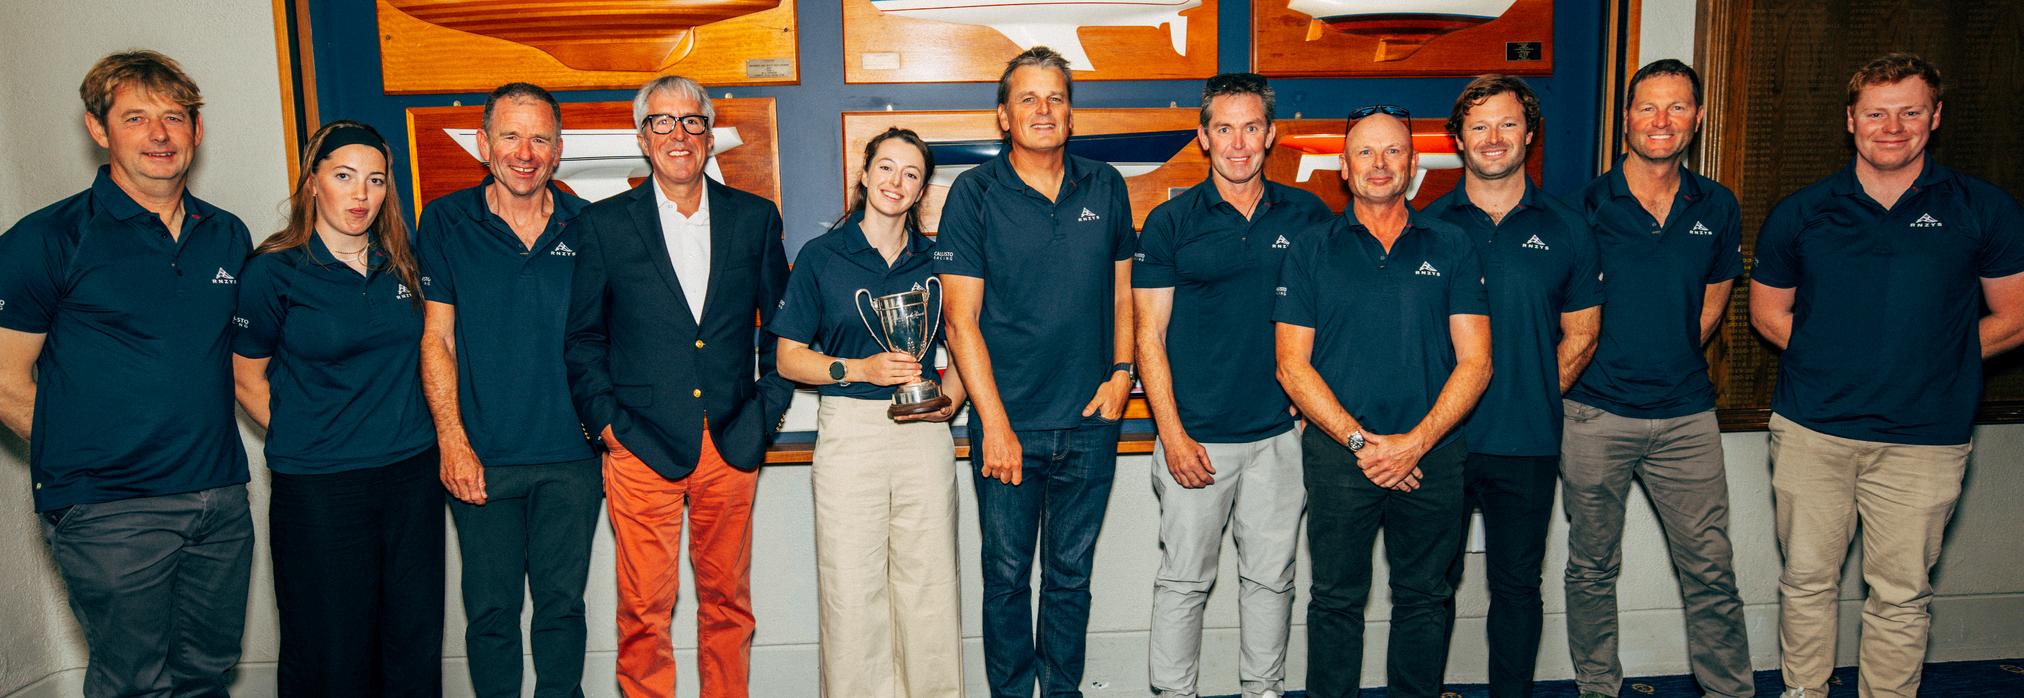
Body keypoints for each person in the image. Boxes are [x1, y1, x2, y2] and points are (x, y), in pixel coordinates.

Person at [1749, 53, 2024, 698]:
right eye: (1876, 113)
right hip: (1814, 431)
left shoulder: (1983, 209)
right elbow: (1768, 314)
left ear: (1935, 117)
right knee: (1806, 582)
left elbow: (2014, 317)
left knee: (1901, 594)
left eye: (1910, 112)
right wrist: (1838, 360)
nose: (1892, 128)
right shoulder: (1803, 211)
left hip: (1925, 438)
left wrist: (1932, 359)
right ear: (1852, 120)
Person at [0, 50, 254, 698]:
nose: (160, 134)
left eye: (175, 117)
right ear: (98, 128)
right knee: (134, 683)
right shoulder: (46, 239)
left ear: (197, 129)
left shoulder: (227, 235)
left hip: (220, 498)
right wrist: (86, 459)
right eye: (136, 118)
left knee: (207, 674)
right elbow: (5, 380)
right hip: (109, 508)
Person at [564, 74, 792, 698]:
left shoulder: (753, 218)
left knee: (728, 607)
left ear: (709, 136)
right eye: (662, 122)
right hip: (639, 444)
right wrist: (607, 426)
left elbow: (782, 331)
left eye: (692, 121)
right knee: (644, 612)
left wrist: (765, 413)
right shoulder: (603, 225)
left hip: (731, 441)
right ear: (643, 138)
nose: (679, 134)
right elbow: (583, 338)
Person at [934, 46, 1137, 698]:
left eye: (1055, 98)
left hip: (1091, 422)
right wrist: (993, 424)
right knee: (1006, 579)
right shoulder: (974, 194)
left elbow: (1123, 292)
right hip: (1009, 426)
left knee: (1071, 577)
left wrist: (1123, 373)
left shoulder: (1105, 186)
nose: (1043, 110)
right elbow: (960, 321)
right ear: (1003, 115)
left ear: (1071, 115)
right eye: (1028, 98)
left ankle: (1063, 691)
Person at [1274, 105, 1492, 698]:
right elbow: (1291, 365)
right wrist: (1361, 444)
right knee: (1335, 599)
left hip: (1432, 456)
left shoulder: (1451, 244)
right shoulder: (1311, 248)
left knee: (1425, 597)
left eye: (1393, 150)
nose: (1379, 163)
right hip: (1339, 455)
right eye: (1365, 152)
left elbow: (1477, 361)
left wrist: (1414, 443)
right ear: (1344, 168)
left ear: (1413, 163)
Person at [1133, 72, 1329, 698]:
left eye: (1250, 128)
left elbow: (1333, 316)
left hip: (1279, 438)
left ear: (1270, 135)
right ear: (1203, 136)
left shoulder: (1308, 216)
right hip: (1196, 439)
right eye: (1224, 129)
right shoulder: (1170, 222)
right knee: (1184, 581)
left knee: (1272, 580)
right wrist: (1172, 434)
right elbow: (1147, 336)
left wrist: (1311, 407)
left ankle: (1263, 691)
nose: (1238, 144)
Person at [1562, 59, 1753, 698]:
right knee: (1592, 567)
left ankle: (1729, 690)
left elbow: (1713, 300)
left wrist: (1666, 353)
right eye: (1647, 107)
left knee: (1711, 569)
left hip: (1686, 417)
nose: (1661, 121)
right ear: (1626, 120)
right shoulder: (1584, 206)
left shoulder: (1717, 205)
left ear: (1697, 119)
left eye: (1677, 107)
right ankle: (1597, 686)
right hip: (1595, 414)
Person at [230, 119, 441, 697]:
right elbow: (247, 381)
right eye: (344, 176)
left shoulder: (402, 263)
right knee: (331, 647)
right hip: (319, 487)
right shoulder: (274, 271)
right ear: (313, 183)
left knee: (412, 639)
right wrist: (314, 435)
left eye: (375, 180)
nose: (361, 194)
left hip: (410, 478)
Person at [417, 82, 602, 698]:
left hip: (573, 459)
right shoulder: (445, 221)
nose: (525, 153)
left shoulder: (590, 225)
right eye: (511, 136)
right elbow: (437, 339)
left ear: (558, 150)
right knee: (491, 613)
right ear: (483, 143)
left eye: (540, 139)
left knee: (561, 608)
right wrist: (452, 441)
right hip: (482, 459)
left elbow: (613, 339)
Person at [1420, 75, 1602, 698]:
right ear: (1458, 139)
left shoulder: (1568, 226)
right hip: (1442, 442)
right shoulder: (1428, 226)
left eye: (1506, 124)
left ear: (1529, 135)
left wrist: (1532, 390)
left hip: (1527, 440)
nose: (1492, 137)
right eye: (1478, 126)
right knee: (1430, 586)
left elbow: (1582, 334)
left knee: (1518, 587)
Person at [771, 127, 968, 697]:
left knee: (929, 588)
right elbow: (788, 357)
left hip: (923, 433)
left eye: (911, 174)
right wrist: (859, 369)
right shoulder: (822, 256)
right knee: (852, 591)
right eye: (886, 167)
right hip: (851, 431)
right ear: (864, 174)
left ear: (922, 190)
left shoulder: (939, 259)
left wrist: (950, 401)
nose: (895, 182)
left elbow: (968, 338)